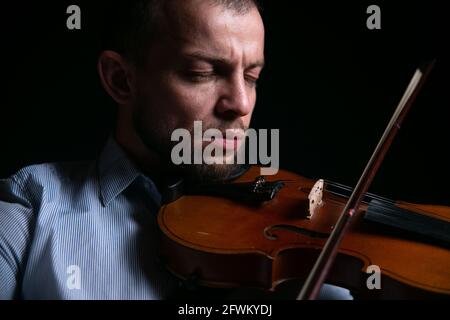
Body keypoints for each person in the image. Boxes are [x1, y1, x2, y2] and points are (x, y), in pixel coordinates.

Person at [0, 0, 351, 299]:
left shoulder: (291, 243)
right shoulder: (29, 208)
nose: (241, 104)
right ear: (121, 80)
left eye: (251, 77)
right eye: (202, 73)